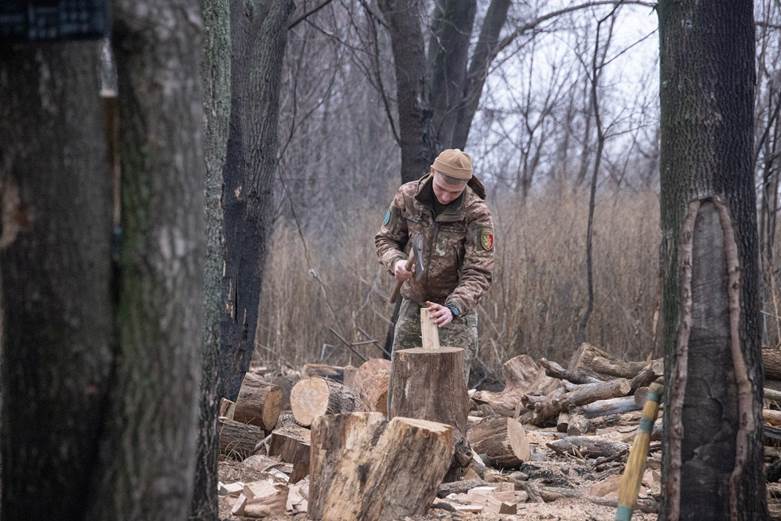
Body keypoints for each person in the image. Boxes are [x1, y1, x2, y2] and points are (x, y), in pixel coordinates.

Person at [375, 148, 495, 384]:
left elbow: (479, 271)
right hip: (413, 303)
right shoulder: (408, 196)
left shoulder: (476, 212)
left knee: (449, 389)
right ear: (432, 172)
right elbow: (386, 239)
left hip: (455, 313)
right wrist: (396, 262)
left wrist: (454, 307)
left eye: (454, 192)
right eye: (441, 188)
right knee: (404, 385)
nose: (445, 197)